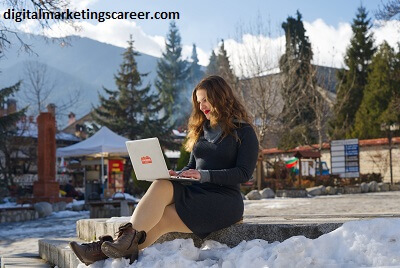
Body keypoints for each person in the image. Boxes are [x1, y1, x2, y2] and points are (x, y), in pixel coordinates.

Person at [69, 75, 259, 265]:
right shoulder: (202, 130)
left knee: (164, 219)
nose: (202, 106)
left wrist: (203, 175)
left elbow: (243, 173)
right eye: (199, 101)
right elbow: (191, 167)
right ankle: (112, 248)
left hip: (224, 200)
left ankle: (100, 250)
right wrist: (177, 175)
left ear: (221, 97)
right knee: (162, 184)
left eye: (206, 100)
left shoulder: (243, 131)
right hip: (197, 192)